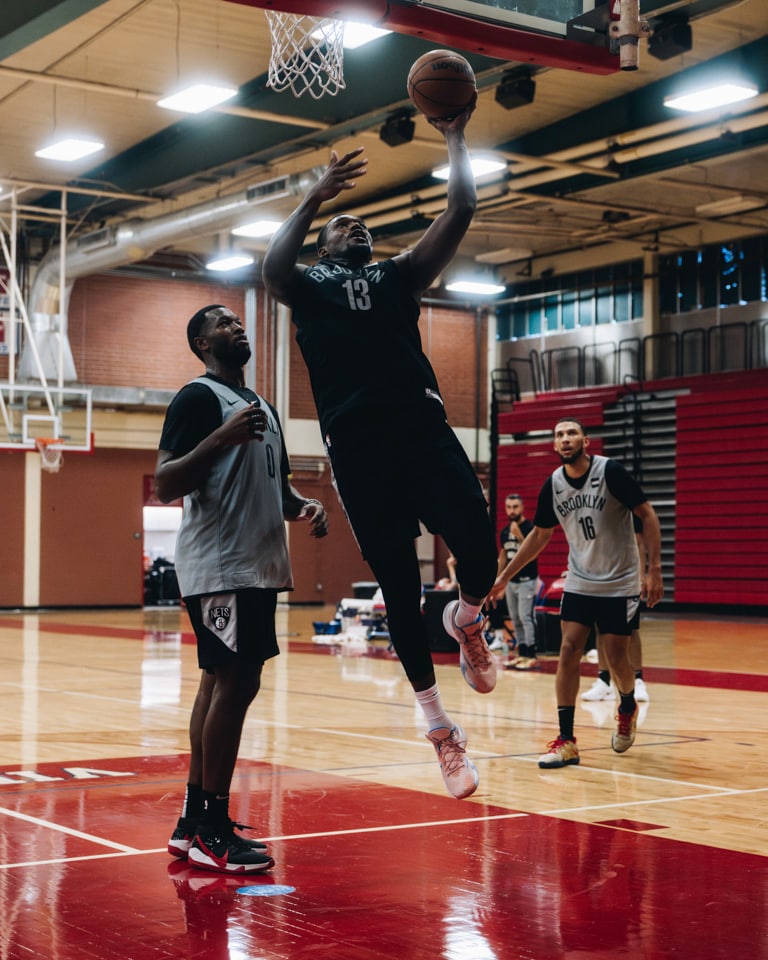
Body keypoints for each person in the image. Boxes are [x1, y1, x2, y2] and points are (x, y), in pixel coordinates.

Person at [262, 100, 499, 800]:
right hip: (359, 448)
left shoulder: (397, 277)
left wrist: (454, 136)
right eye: (344, 224)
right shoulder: (307, 288)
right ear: (326, 245)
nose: (355, 224)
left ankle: (467, 619)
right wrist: (312, 198)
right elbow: (274, 271)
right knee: (398, 584)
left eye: (361, 221)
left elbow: (460, 209)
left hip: (423, 430)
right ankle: (439, 731)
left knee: (480, 552)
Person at [155, 304, 328, 873]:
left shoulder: (264, 407)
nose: (238, 327)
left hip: (257, 566)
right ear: (201, 342)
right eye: (224, 323)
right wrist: (221, 438)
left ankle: (191, 822)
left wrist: (302, 505)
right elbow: (165, 482)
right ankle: (211, 828)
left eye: (240, 321)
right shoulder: (198, 399)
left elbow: (276, 493)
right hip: (222, 565)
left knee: (221, 683)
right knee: (235, 681)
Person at [490, 417, 663, 768]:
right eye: (559, 435)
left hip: (619, 581)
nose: (565, 439)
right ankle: (566, 740)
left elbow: (647, 514)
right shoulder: (553, 485)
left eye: (571, 433)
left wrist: (653, 569)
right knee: (568, 649)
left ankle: (626, 702)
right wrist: (505, 575)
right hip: (580, 580)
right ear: (554, 446)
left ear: (585, 441)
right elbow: (539, 535)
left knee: (616, 657)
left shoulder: (610, 472)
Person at [583, 525, 650, 703]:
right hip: (597, 574)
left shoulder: (625, 503)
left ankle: (638, 679)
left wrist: (642, 575)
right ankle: (604, 681)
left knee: (631, 628)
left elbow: (639, 542)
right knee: (599, 627)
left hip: (625, 575)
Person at [497, 493, 539, 670]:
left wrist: (520, 535)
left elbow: (533, 552)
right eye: (508, 507)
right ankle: (521, 653)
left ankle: (531, 654)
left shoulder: (530, 527)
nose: (511, 510)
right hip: (511, 582)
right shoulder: (505, 531)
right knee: (514, 617)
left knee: (525, 617)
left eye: (515, 507)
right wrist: (499, 581)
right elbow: (504, 556)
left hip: (527, 580)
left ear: (521, 507)